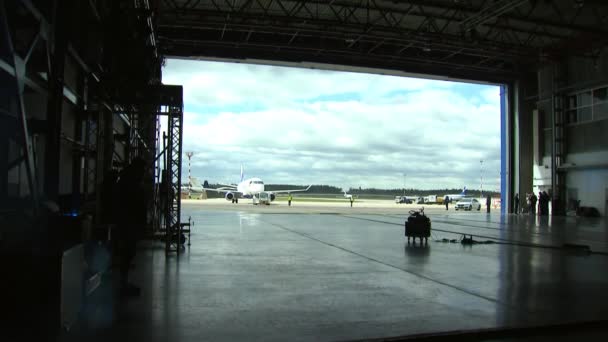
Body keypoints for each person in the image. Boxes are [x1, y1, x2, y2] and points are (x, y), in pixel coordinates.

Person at [116, 157, 147, 297]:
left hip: (127, 221)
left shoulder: (126, 179)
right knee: (127, 253)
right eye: (144, 170)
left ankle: (123, 283)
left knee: (127, 254)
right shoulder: (132, 182)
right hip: (129, 222)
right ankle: (122, 284)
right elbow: (136, 203)